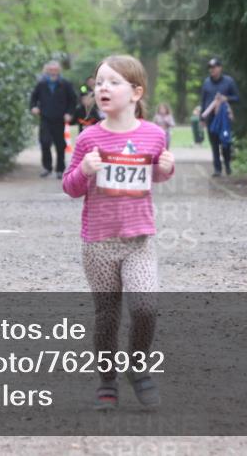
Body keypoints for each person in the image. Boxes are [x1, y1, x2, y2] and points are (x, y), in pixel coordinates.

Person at [62, 55, 175, 411]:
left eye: (112, 82)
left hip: (139, 240)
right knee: (107, 317)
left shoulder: (154, 135)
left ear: (136, 92)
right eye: (98, 83)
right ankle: (107, 380)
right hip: (98, 243)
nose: (102, 88)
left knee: (145, 307)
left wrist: (166, 170)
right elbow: (71, 188)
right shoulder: (88, 138)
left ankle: (138, 369)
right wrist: (84, 169)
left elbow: (152, 176)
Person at [29, 60, 78, 178]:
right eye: (50, 70)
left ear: (59, 71)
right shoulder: (41, 84)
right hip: (45, 118)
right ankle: (47, 167)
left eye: (55, 70)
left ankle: (60, 169)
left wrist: (69, 113)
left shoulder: (65, 84)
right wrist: (33, 107)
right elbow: (33, 98)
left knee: (60, 145)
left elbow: (73, 100)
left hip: (60, 119)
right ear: (47, 71)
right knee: (45, 142)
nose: (53, 72)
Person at [199, 57, 239, 177]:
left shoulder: (229, 81)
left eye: (214, 67)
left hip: (224, 118)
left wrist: (226, 98)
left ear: (220, 68)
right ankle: (217, 169)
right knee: (214, 143)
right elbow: (203, 101)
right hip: (211, 118)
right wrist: (202, 118)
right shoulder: (206, 83)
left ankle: (227, 165)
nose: (212, 70)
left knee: (225, 142)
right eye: (210, 68)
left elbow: (237, 98)